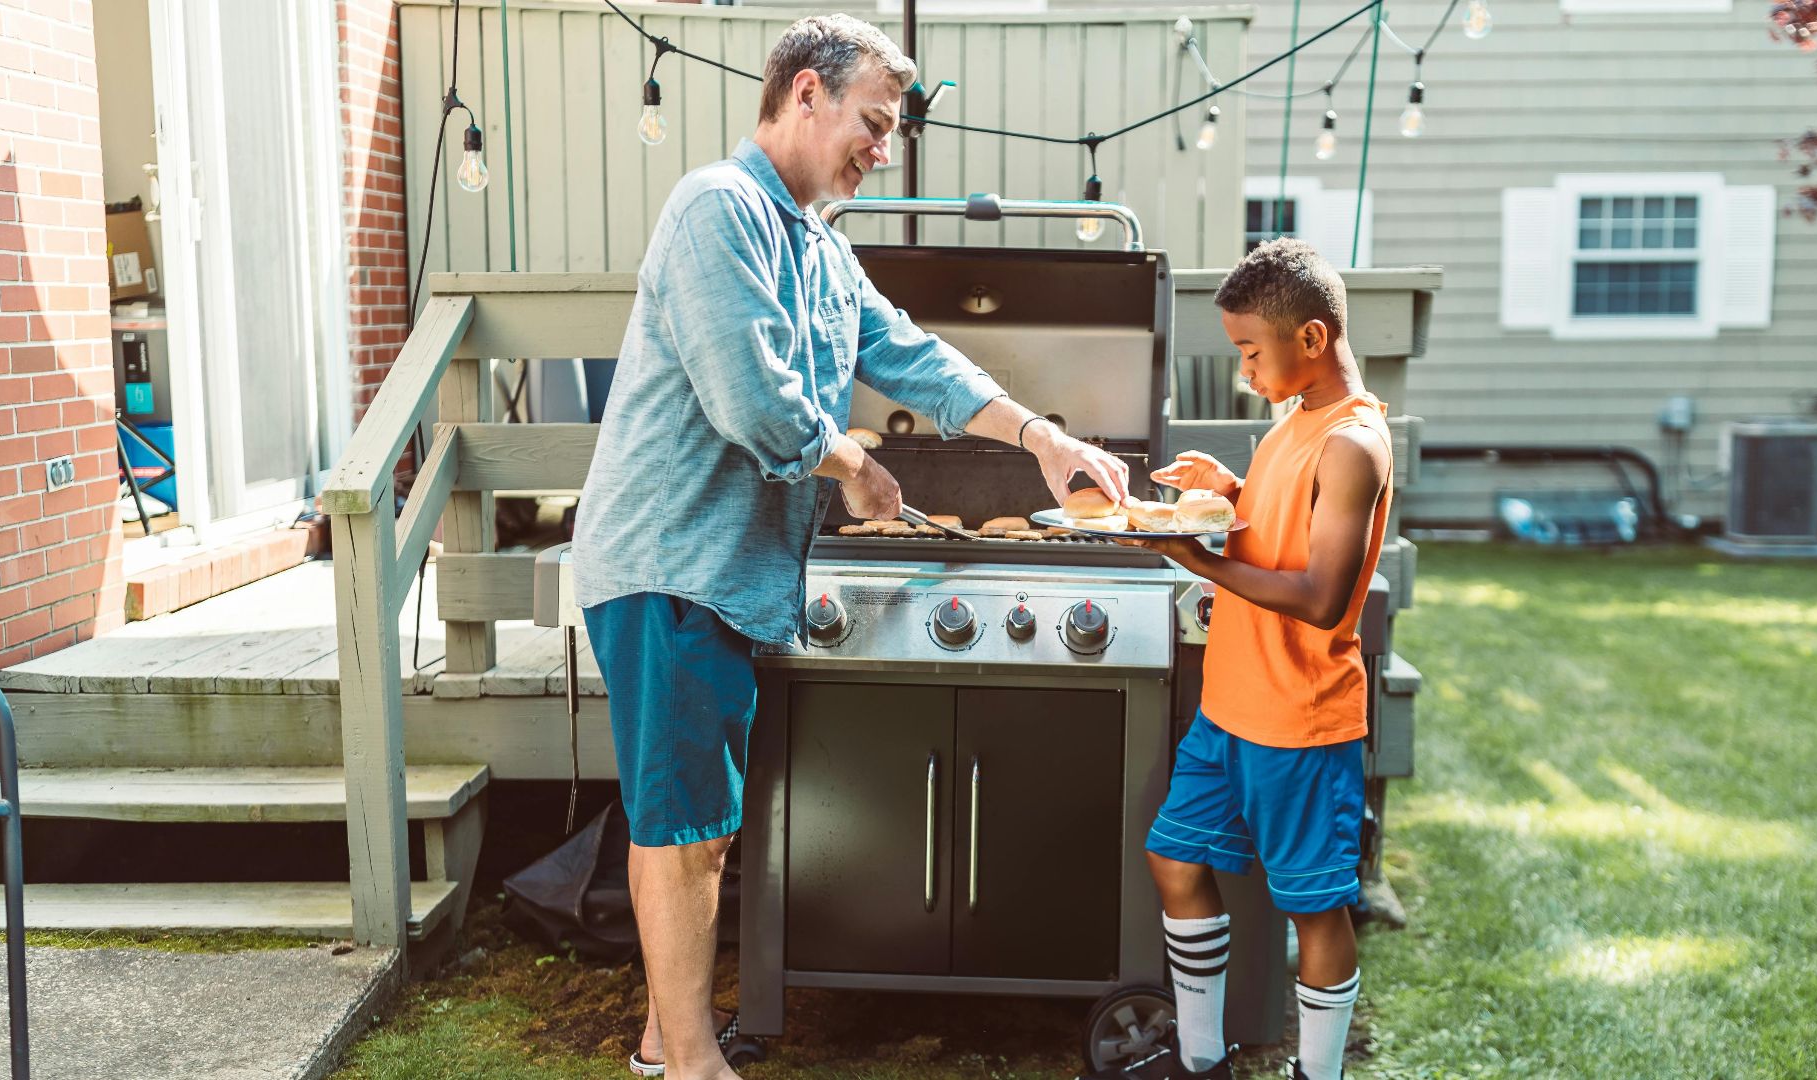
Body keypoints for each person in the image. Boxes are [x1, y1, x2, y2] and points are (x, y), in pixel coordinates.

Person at [568, 15, 1130, 1080]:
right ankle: (689, 1065)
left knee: (701, 825)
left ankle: (662, 1044)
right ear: (804, 94)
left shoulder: (820, 244)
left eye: (894, 129)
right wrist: (855, 467)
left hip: (723, 575)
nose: (885, 145)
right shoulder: (717, 210)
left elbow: (907, 353)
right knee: (684, 829)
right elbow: (756, 404)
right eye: (873, 122)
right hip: (670, 561)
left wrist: (1042, 438)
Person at [1085, 238, 1392, 1080]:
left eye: (1251, 352)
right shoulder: (1293, 422)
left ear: (1313, 340)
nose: (1246, 369)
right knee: (1175, 859)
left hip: (1301, 719)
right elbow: (1280, 530)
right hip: (1231, 706)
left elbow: (1324, 594)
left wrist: (1199, 558)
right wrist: (1228, 492)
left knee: (1316, 910)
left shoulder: (1353, 445)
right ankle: (1201, 1060)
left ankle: (1314, 1075)